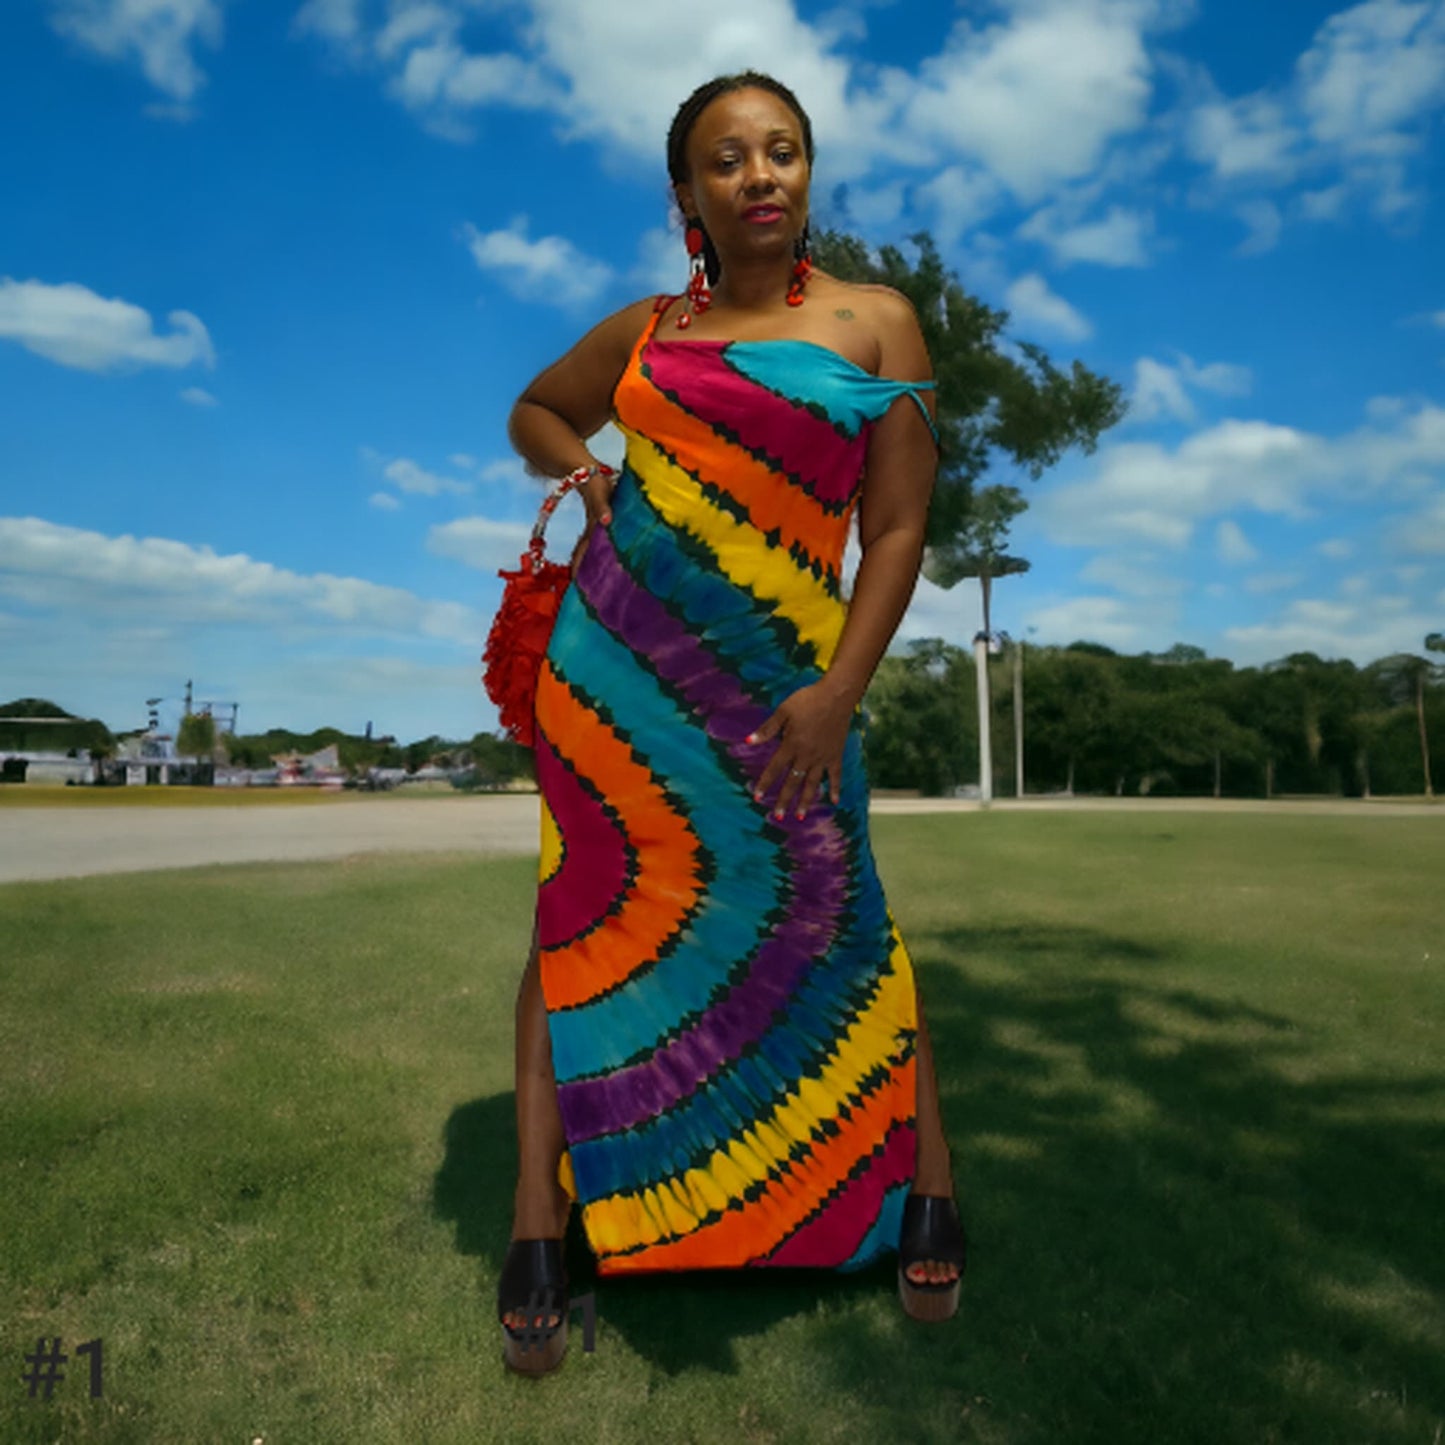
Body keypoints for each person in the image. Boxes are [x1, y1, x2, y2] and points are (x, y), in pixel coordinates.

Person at [496, 70, 966, 1375]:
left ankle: (922, 1183)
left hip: (789, 700)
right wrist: (587, 470)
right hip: (616, 692)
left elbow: (900, 524)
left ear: (807, 173)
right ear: (686, 194)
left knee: (842, 916)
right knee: (589, 927)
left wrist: (838, 694)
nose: (757, 173)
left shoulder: (876, 323)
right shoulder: (643, 329)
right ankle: (541, 1212)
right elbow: (535, 407)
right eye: (725, 158)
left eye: (781, 151)